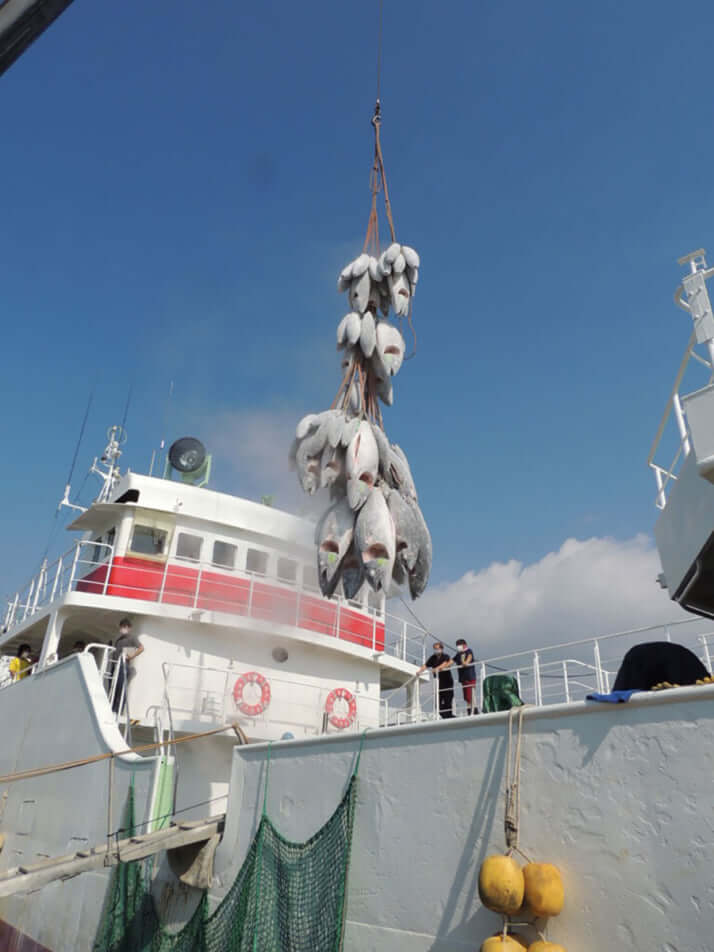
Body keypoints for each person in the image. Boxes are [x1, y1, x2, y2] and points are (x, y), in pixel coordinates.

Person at [111, 618, 143, 716]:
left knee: (121, 687)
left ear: (129, 628)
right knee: (114, 687)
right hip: (115, 665)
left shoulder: (132, 638)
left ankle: (118, 710)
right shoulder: (119, 639)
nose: (122, 629)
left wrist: (132, 656)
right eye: (121, 627)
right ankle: (112, 708)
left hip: (123, 665)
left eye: (124, 627)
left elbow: (141, 648)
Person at [440, 638, 478, 714]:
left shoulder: (468, 651)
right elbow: (451, 661)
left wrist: (466, 662)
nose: (458, 647)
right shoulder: (458, 654)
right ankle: (470, 711)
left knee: (470, 695)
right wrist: (443, 667)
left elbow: (469, 657)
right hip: (463, 678)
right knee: (467, 696)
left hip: (469, 676)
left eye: (459, 645)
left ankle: (473, 711)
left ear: (464, 645)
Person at [417, 642, 454, 719]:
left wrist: (436, 669)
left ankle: (449, 716)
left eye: (438, 648)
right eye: (435, 649)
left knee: (448, 700)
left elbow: (445, 663)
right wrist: (419, 671)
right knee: (437, 704)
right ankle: (445, 715)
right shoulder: (433, 657)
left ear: (441, 649)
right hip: (438, 683)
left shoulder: (445, 656)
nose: (436, 650)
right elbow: (426, 665)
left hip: (447, 682)